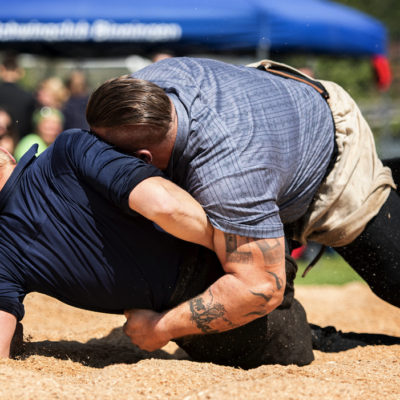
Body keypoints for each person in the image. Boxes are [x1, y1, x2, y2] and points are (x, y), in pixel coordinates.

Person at [86, 57, 400, 344]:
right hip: (266, 131)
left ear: (144, 158)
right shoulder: (143, 85)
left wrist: (161, 328)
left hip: (332, 158)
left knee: (393, 279)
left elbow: (262, 287)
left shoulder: (230, 175)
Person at [0, 128, 314, 369]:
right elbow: (166, 206)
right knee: (307, 341)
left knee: (299, 346)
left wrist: (158, 329)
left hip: (201, 321)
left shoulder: (4, 254)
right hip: (233, 253)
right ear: (7, 154)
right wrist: (236, 250)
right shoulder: (68, 149)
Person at [0, 53, 35, 140]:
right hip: (20, 145)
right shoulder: (28, 97)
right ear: (20, 72)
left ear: (2, 69)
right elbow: (30, 127)